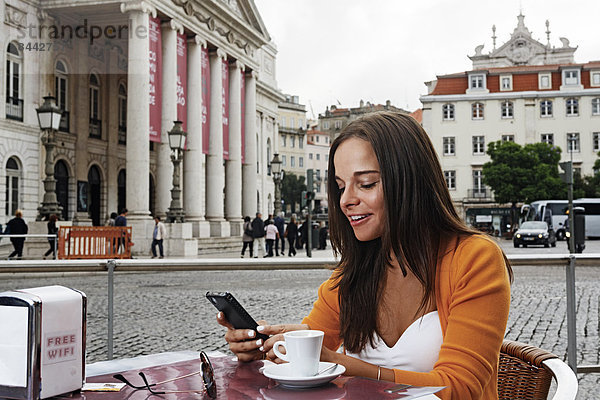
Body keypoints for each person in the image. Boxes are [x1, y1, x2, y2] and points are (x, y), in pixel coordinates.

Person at [217, 112, 513, 399]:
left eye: (367, 183)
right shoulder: (353, 271)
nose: (346, 201)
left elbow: (460, 389)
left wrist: (343, 366)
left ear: (409, 180)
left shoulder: (475, 258)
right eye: (341, 186)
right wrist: (265, 346)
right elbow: (317, 341)